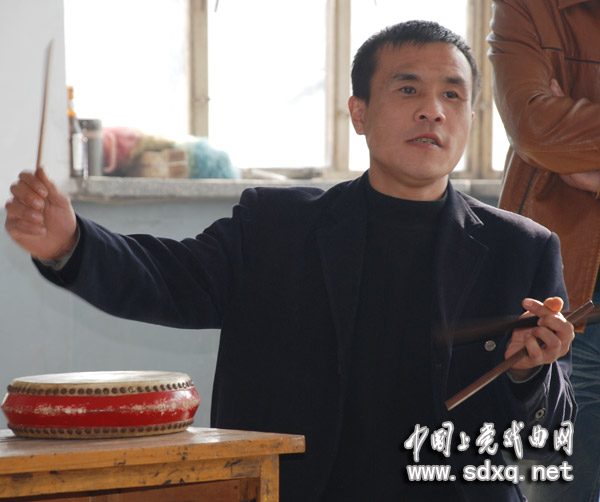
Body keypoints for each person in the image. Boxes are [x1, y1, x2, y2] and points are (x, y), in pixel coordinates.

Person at [5, 21, 575, 502]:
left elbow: (550, 434)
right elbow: (167, 278)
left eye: (452, 95)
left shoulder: (522, 248)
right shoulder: (275, 226)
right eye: (408, 89)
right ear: (359, 112)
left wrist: (529, 373)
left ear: (471, 117)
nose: (433, 111)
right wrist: (71, 242)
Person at [487, 1, 600, 500]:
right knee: (559, 468)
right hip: (569, 285)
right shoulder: (529, 7)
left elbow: (553, 130)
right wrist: (552, 132)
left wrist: (588, 167)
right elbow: (533, 126)